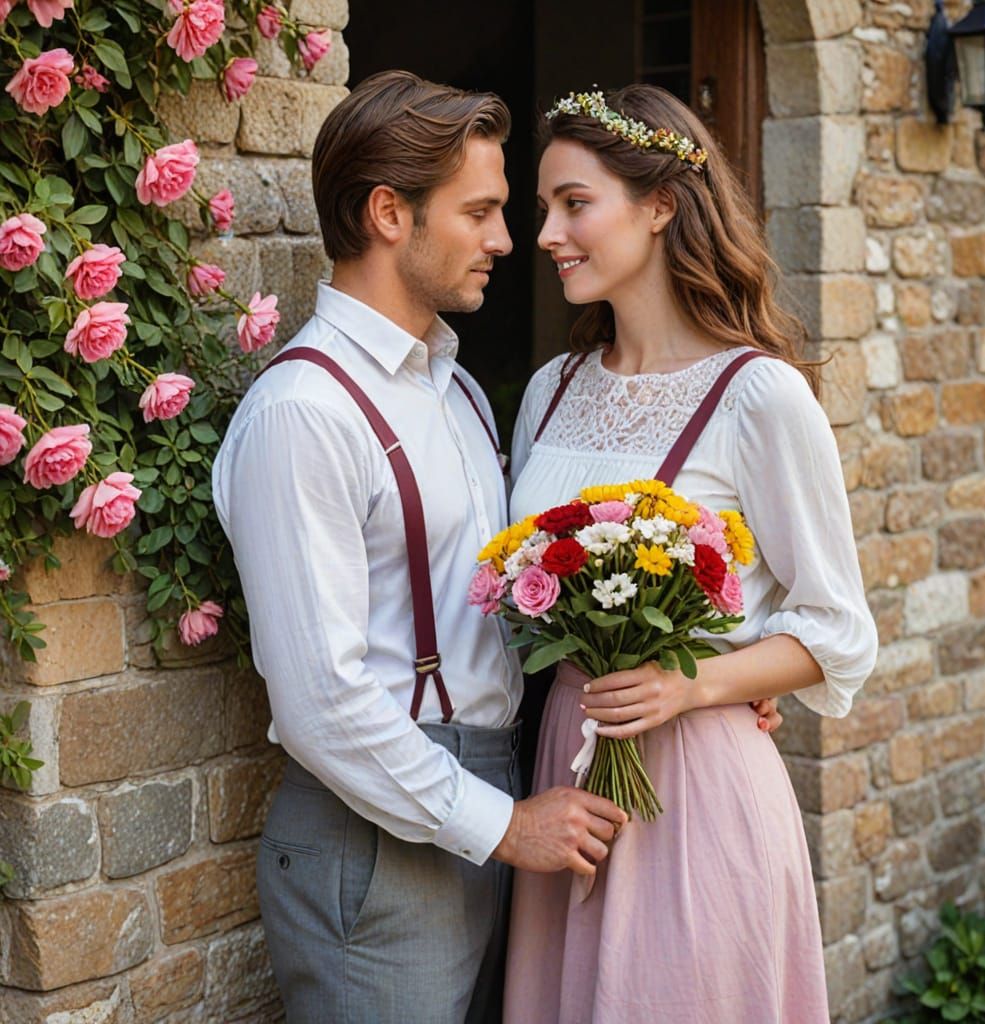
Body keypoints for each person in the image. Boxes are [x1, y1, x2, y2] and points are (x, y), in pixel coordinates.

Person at [211, 71, 632, 1024]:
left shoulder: (459, 390)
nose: (504, 239)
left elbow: (496, 603)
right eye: (479, 210)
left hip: (487, 786)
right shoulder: (305, 413)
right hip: (380, 835)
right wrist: (506, 825)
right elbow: (322, 703)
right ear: (389, 212)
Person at [504, 85, 878, 1024]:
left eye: (573, 204)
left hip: (699, 785)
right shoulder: (549, 390)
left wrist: (697, 684)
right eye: (543, 207)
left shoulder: (760, 396)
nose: (546, 233)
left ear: (661, 205)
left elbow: (836, 626)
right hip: (565, 772)